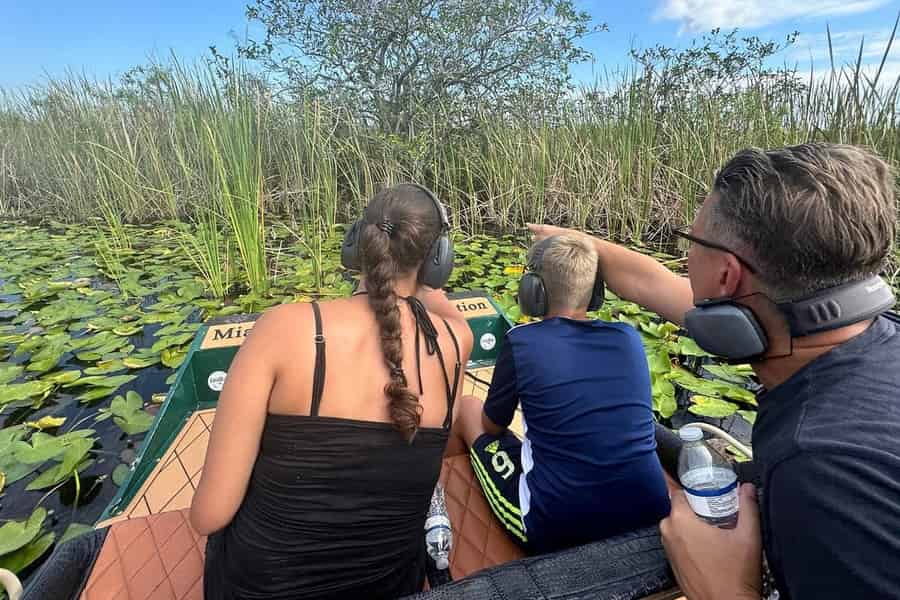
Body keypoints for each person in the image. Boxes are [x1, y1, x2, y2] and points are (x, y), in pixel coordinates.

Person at [529, 142, 900, 600]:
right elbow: (655, 284)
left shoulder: (822, 471)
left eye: (693, 241)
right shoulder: (862, 333)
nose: (685, 263)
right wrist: (578, 246)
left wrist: (723, 588)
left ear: (726, 275)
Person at [190, 183, 474, 600]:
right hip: (387, 586)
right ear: (438, 262)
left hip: (261, 589)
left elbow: (209, 517)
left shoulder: (283, 329)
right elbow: (437, 312)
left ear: (356, 244)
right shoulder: (454, 344)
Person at [450, 234, 671, 555]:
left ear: (533, 291)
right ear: (595, 293)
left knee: (469, 408)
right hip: (649, 508)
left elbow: (492, 426)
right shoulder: (629, 337)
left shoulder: (521, 341)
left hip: (552, 524)